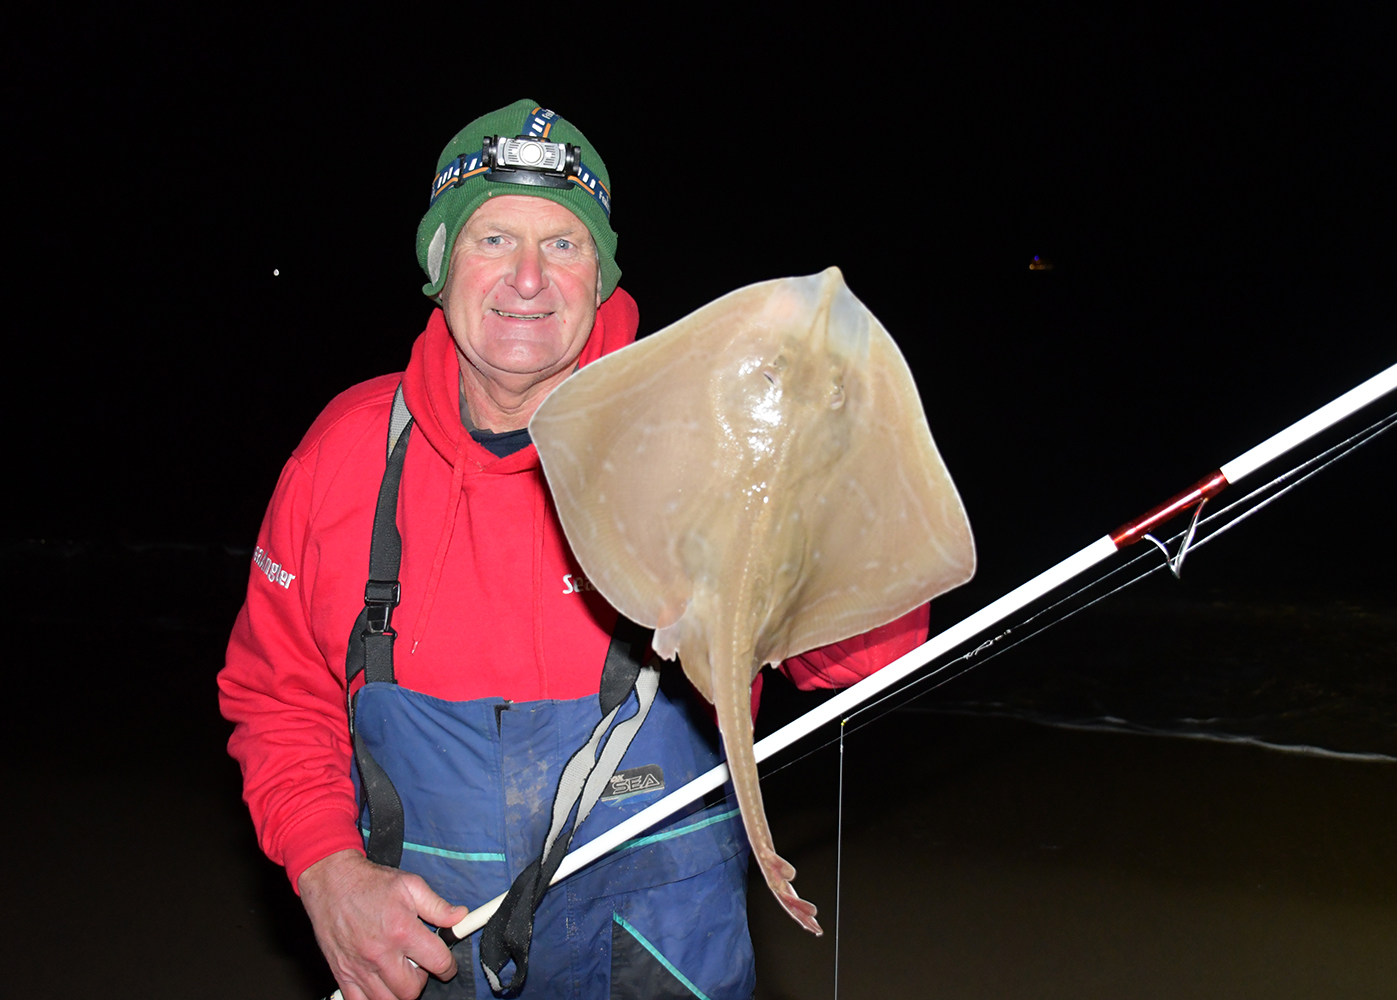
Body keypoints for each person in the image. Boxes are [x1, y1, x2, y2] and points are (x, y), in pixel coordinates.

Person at [219, 101, 929, 1000]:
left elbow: (872, 655)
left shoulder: (693, 434)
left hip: (665, 949)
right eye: (493, 240)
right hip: (432, 947)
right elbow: (277, 695)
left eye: (564, 245)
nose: (528, 279)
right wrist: (326, 871)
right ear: (439, 264)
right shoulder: (345, 456)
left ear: (601, 275)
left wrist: (835, 490)